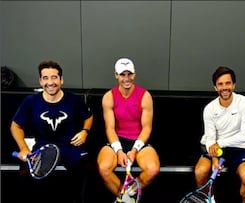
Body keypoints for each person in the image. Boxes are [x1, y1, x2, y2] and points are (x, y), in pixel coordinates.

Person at [10, 60, 94, 203]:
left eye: (54, 77)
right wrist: (23, 148)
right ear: (40, 81)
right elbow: (15, 126)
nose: (50, 82)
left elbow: (89, 116)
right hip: (43, 147)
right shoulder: (31, 101)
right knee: (25, 175)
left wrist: (85, 131)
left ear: (61, 80)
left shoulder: (73, 99)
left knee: (88, 170)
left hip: (70, 146)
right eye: (46, 78)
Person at [97, 57, 160, 202]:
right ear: (116, 75)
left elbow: (147, 128)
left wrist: (135, 149)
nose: (126, 78)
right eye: (122, 74)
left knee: (153, 169)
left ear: (134, 74)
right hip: (117, 141)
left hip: (139, 141)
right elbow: (110, 128)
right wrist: (119, 150)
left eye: (129, 74)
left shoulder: (145, 96)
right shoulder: (108, 97)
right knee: (103, 168)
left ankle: (129, 195)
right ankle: (125, 199)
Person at [194, 66, 245, 203]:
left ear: (234, 85)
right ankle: (208, 200)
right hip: (217, 148)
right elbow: (210, 137)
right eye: (220, 84)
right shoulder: (209, 109)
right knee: (200, 172)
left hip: (241, 147)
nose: (224, 87)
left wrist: (220, 144)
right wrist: (215, 158)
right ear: (215, 88)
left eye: (228, 83)